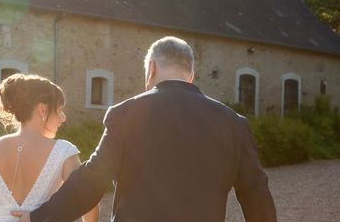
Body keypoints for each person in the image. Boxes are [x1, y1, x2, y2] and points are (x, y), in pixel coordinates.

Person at [14, 36, 276, 222]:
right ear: (191, 74)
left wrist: (38, 218)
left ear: (151, 68)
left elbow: (92, 180)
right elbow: (256, 195)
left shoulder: (125, 114)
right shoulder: (233, 123)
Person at [0, 73, 99, 222]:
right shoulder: (64, 152)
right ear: (42, 110)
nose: (63, 117)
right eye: (59, 109)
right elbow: (87, 200)